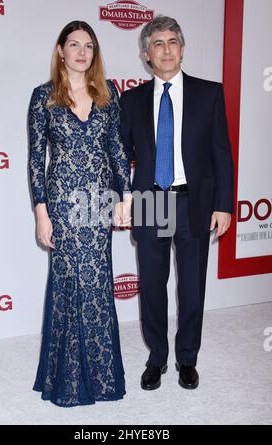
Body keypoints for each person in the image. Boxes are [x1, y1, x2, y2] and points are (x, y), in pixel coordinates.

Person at [120, 16, 234, 390]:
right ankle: (157, 358)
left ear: (182, 49)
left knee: (191, 288)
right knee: (152, 286)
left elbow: (222, 153)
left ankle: (187, 358)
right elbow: (121, 155)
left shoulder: (209, 93)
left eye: (172, 42)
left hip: (194, 202)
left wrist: (224, 204)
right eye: (158, 44)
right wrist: (121, 199)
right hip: (152, 201)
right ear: (146, 54)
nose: (166, 50)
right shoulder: (132, 100)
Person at [28, 20, 131, 407]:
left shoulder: (108, 93)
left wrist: (125, 197)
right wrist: (42, 213)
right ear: (61, 51)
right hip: (63, 204)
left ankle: (103, 376)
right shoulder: (44, 97)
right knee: (69, 283)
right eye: (74, 44)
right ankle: (66, 380)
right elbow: (36, 161)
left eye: (88, 45)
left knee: (98, 283)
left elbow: (118, 150)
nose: (82, 51)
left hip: (99, 203)